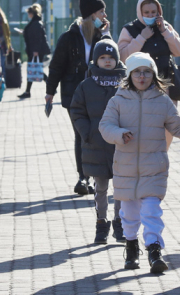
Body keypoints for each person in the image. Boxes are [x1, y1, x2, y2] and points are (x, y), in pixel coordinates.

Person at [99, 52, 180, 273]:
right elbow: (105, 126)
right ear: (129, 75)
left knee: (151, 211)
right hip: (125, 168)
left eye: (147, 72)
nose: (142, 76)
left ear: (153, 75)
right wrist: (119, 134)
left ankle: (154, 250)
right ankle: (131, 246)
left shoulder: (162, 101)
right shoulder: (117, 101)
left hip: (154, 167)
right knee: (128, 214)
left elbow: (179, 127)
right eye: (137, 72)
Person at [46, 0, 110, 196]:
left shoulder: (102, 37)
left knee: (96, 134)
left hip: (97, 94)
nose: (105, 16)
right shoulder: (69, 37)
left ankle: (95, 175)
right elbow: (56, 66)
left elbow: (112, 61)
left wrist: (106, 36)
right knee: (81, 134)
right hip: (74, 95)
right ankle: (83, 177)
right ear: (92, 14)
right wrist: (49, 93)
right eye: (101, 12)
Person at [69, 38, 127, 244]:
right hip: (96, 144)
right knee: (100, 187)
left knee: (121, 187)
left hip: (121, 145)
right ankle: (101, 224)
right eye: (103, 57)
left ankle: (120, 223)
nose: (107, 61)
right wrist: (87, 133)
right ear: (96, 60)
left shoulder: (126, 84)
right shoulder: (87, 85)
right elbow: (77, 111)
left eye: (111, 57)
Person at [117, 0, 180, 150]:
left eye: (153, 12)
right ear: (140, 12)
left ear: (159, 12)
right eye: (146, 13)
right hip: (139, 87)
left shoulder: (166, 27)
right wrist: (141, 37)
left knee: (168, 125)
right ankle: (145, 155)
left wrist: (165, 32)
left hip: (166, 86)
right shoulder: (129, 30)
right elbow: (122, 56)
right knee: (143, 125)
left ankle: (161, 154)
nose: (150, 15)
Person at [18, 3, 51, 99]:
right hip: (34, 50)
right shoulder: (36, 22)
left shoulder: (36, 23)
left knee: (34, 70)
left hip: (35, 51)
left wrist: (35, 50)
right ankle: (29, 91)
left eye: (29, 13)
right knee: (36, 69)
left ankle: (28, 91)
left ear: (32, 13)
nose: (28, 15)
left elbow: (37, 38)